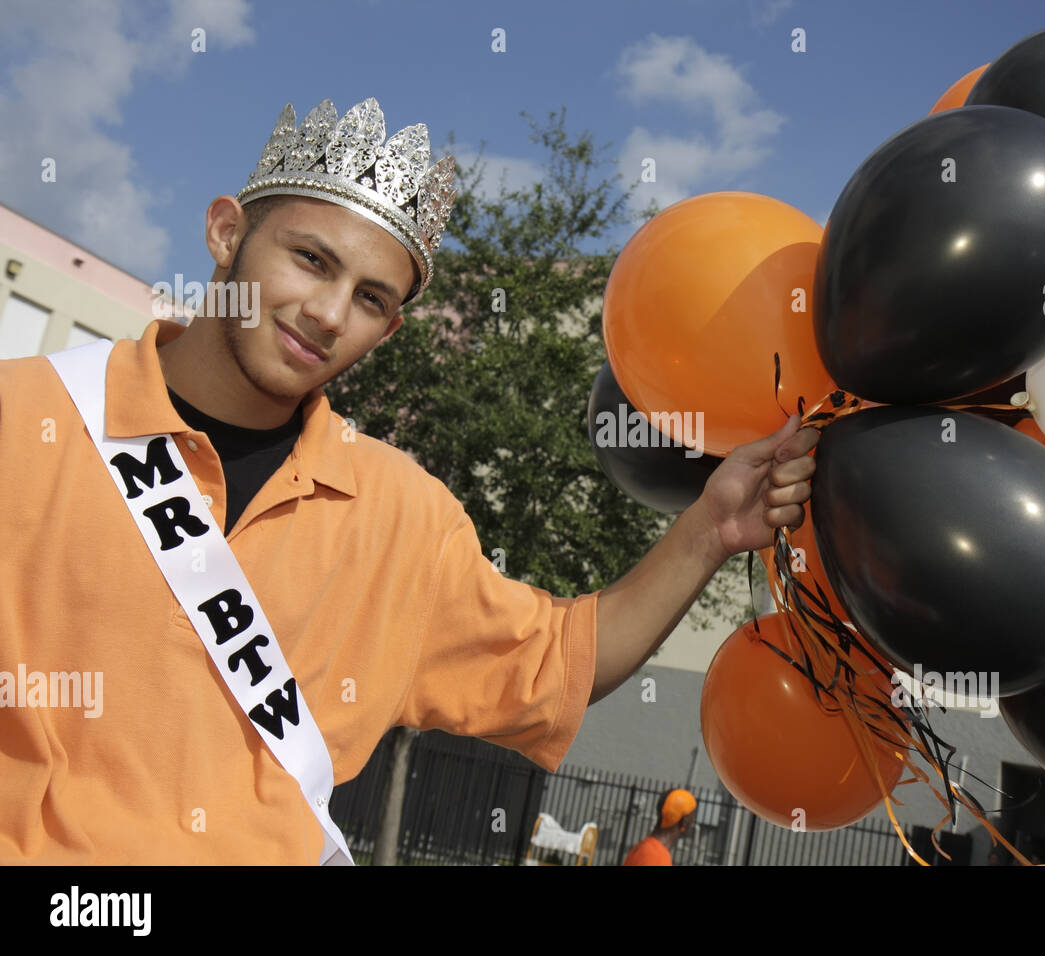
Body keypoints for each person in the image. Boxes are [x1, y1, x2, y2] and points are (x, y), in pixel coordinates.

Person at [0, 97, 820, 864]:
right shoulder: (25, 419)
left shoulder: (403, 514)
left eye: (368, 298)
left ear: (389, 329)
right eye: (310, 259)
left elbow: (555, 665)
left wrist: (710, 530)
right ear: (225, 232)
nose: (327, 313)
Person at [623, 789, 697, 866]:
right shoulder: (656, 856)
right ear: (684, 821)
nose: (693, 822)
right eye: (693, 816)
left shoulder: (645, 848)